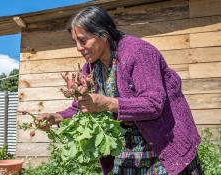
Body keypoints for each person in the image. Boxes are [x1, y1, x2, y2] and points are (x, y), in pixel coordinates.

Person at [36, 6, 203, 175]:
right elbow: (81, 106)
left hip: (162, 148)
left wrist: (107, 103)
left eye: (83, 40)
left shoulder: (138, 52)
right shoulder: (90, 68)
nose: (78, 48)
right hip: (125, 155)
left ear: (104, 35)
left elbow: (153, 104)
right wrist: (56, 117)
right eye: (75, 42)